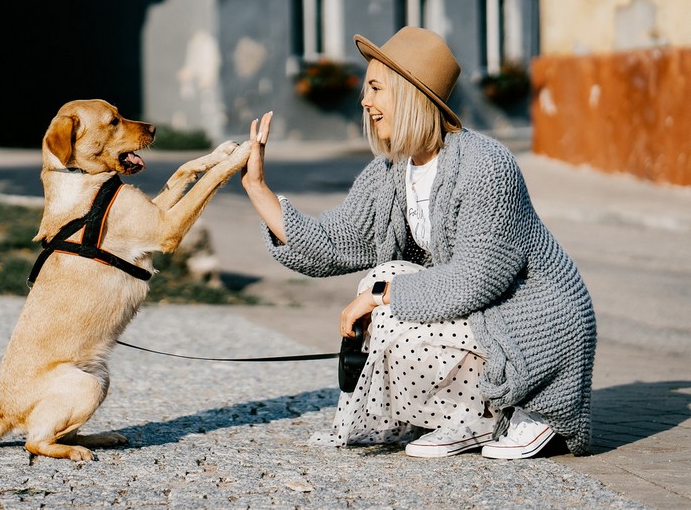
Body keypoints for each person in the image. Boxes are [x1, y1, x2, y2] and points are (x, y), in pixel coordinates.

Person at [240, 27, 596, 459]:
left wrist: (380, 297)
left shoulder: (486, 165)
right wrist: (258, 189)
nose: (364, 101)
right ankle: (464, 416)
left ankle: (511, 410)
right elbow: (335, 242)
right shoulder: (392, 171)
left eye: (375, 88)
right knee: (383, 278)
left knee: (385, 295)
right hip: (483, 316)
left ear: (409, 94)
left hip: (534, 323)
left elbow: (475, 280)